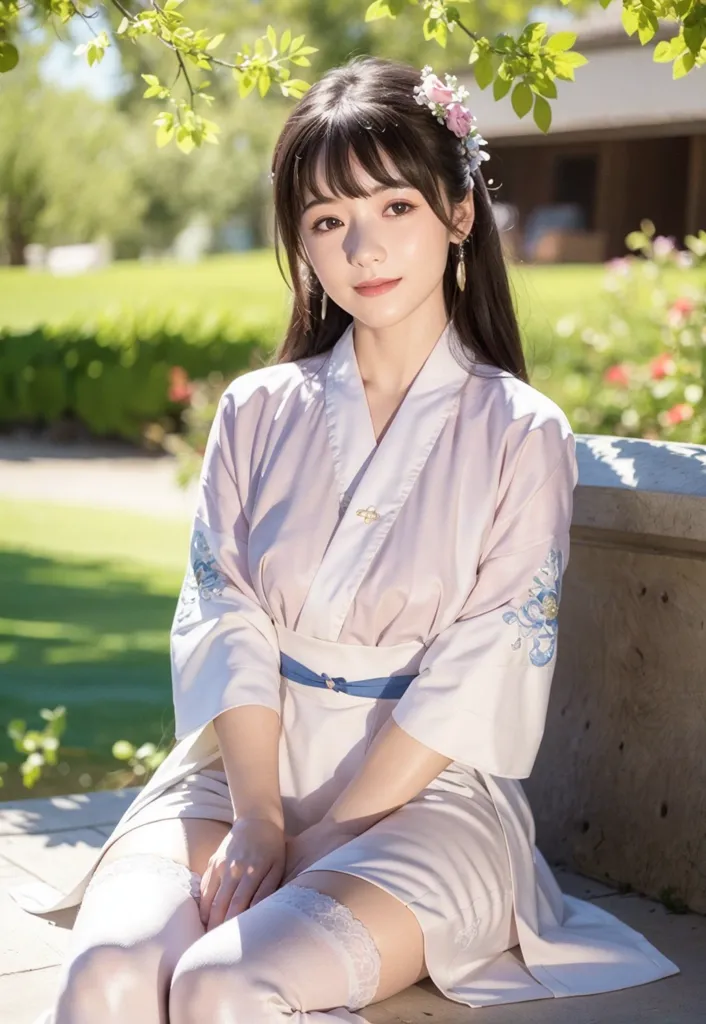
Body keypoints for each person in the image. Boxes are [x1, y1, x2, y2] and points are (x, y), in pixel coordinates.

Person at [10, 55, 679, 1024]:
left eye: (393, 207)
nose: (362, 245)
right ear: (303, 246)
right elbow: (223, 613)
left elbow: (486, 663)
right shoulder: (254, 410)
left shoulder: (521, 431)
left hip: (423, 802)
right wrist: (260, 816)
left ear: (456, 214)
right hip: (240, 778)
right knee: (108, 979)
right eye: (327, 220)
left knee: (222, 983)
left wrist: (332, 834)